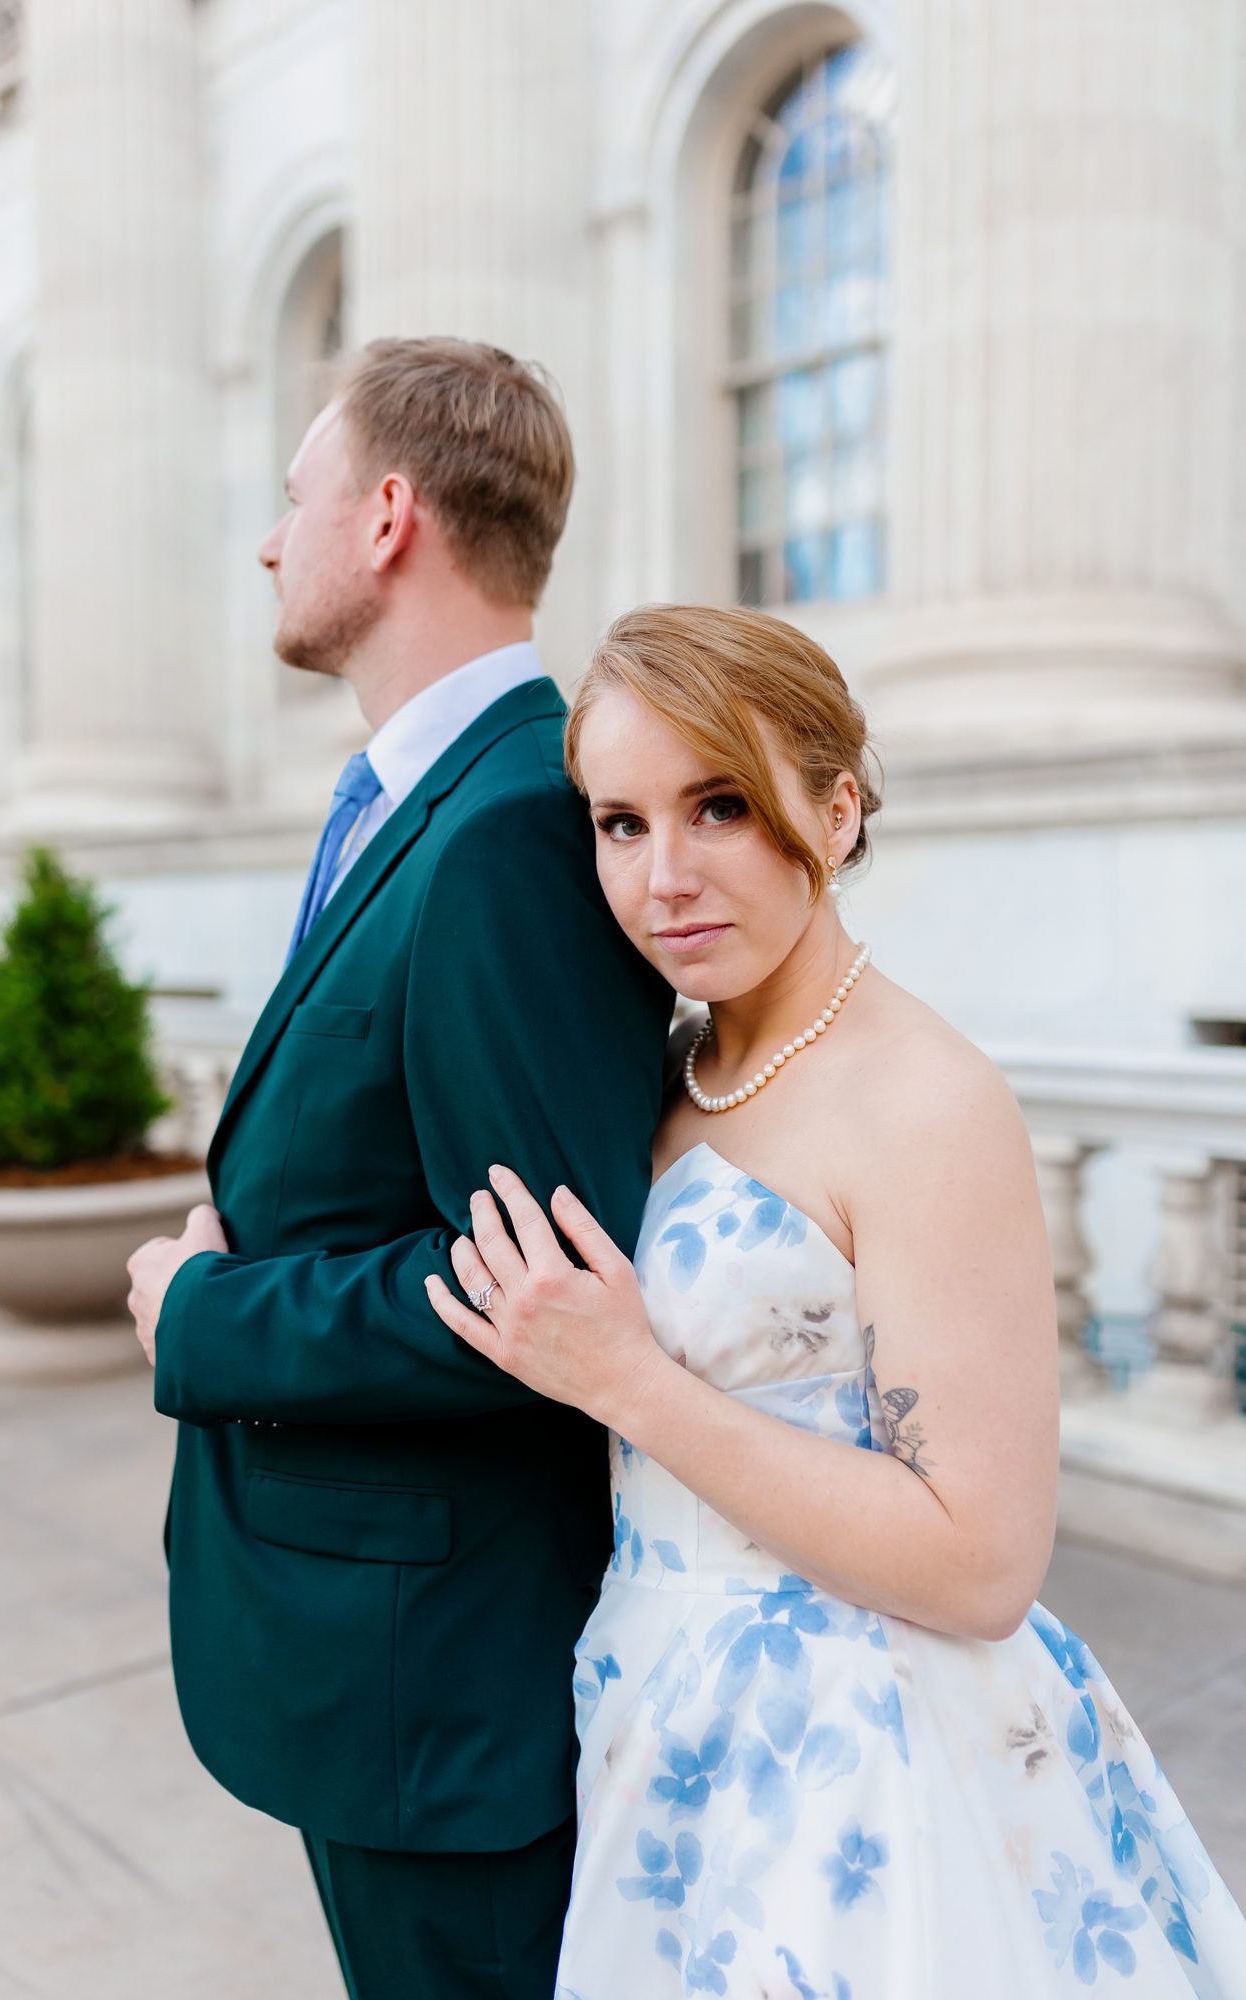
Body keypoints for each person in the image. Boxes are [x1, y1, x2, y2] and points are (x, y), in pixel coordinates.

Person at [426, 603, 1246, 1999]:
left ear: (836, 807)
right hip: (655, 1707)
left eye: (720, 806)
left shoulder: (924, 1101)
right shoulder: (662, 1061)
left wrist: (624, 1379)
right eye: (619, 824)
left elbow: (981, 1563)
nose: (663, 875)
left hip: (866, 1766)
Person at [124, 340, 671, 2000]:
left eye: (292, 501)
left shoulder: (509, 822)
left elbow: (546, 1296)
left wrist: (204, 1314)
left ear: (384, 517)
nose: (270, 543)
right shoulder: (406, 797)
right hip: (365, 1657)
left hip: (433, 1695)